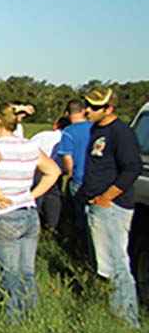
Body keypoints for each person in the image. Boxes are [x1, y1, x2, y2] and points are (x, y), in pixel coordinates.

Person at [0, 103, 61, 323]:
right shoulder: (29, 146)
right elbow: (53, 171)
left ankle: (14, 321)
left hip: (3, 215)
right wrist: (33, 194)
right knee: (27, 271)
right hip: (28, 214)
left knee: (10, 273)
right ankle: (30, 316)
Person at [82, 87, 141, 329]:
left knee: (118, 264)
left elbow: (132, 168)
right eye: (87, 105)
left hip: (112, 208)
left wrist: (107, 197)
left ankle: (128, 321)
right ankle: (115, 312)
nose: (88, 110)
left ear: (109, 109)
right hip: (97, 206)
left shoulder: (121, 133)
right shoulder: (97, 129)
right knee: (105, 264)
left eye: (95, 107)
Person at [57, 98, 93, 257]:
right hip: (99, 180)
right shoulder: (96, 128)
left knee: (80, 220)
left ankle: (82, 252)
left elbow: (67, 159)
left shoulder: (69, 132)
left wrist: (68, 174)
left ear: (67, 113)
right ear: (84, 111)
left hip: (78, 179)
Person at [29, 116, 67, 232]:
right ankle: (52, 225)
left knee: (35, 196)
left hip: (35, 168)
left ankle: (33, 224)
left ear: (56, 125)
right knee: (53, 197)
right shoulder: (66, 138)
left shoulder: (42, 135)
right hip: (55, 170)